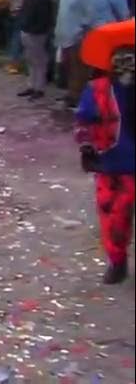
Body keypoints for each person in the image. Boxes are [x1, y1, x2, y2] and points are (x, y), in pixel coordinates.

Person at [74, 18, 134, 284]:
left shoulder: (99, 88)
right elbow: (84, 120)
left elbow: (83, 120)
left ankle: (117, 262)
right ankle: (117, 262)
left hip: (114, 161)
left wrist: (87, 146)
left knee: (114, 215)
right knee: (115, 214)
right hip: (114, 162)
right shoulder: (99, 89)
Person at [17, 0, 54, 100]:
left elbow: (44, 18)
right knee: (31, 61)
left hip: (37, 34)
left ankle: (39, 88)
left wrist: (36, 30)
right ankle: (31, 85)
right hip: (28, 31)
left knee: (39, 62)